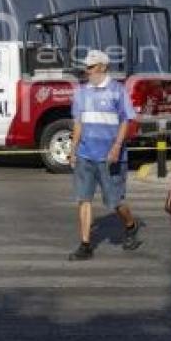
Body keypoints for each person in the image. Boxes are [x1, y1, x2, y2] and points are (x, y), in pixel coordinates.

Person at [68, 49, 141, 261]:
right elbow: (78, 123)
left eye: (90, 67)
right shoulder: (81, 92)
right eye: (86, 67)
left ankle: (130, 225)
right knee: (84, 199)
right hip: (85, 154)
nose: (87, 70)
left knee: (115, 202)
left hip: (110, 156)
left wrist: (117, 146)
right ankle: (85, 245)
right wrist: (73, 151)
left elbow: (126, 120)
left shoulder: (117, 91)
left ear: (102, 67)